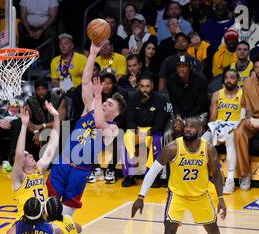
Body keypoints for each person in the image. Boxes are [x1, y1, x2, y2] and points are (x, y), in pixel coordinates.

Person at [131, 117, 239, 234]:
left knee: (213, 230)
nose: (187, 129)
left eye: (192, 127)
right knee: (169, 232)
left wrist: (220, 198)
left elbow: (217, 174)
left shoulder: (208, 149)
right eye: (186, 126)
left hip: (200, 195)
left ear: (200, 129)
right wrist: (140, 196)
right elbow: (153, 171)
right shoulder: (173, 148)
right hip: (178, 195)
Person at [47, 42, 126, 216]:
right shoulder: (89, 108)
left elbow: (98, 123)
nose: (105, 103)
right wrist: (92, 54)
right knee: (48, 210)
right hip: (62, 163)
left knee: (65, 217)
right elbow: (85, 82)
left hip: (80, 171)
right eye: (105, 101)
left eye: (110, 104)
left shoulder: (113, 129)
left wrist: (98, 96)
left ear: (117, 112)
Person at [11, 104, 60, 222]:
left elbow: (52, 146)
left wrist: (56, 118)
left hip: (43, 219)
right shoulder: (19, 177)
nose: (31, 155)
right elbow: (18, 154)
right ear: (20, 162)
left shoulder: (39, 169)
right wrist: (24, 125)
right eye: (26, 155)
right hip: (25, 220)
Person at [122, 73, 168, 187]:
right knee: (127, 135)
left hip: (152, 131)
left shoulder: (160, 99)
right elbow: (129, 120)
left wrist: (148, 132)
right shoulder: (132, 97)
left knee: (158, 140)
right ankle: (129, 175)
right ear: (138, 87)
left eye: (147, 86)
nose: (145, 89)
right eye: (142, 86)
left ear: (152, 86)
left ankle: (152, 176)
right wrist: (137, 131)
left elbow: (160, 122)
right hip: (137, 131)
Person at [202, 68, 243, 194]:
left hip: (234, 126)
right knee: (202, 141)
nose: (229, 80)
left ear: (238, 80)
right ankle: (201, 176)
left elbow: (243, 117)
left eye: (232, 77)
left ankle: (230, 179)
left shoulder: (243, 94)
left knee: (231, 139)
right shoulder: (217, 94)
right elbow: (213, 117)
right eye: (226, 77)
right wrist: (212, 127)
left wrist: (236, 129)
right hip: (219, 126)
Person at [0, 81, 33, 172]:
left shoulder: (26, 86)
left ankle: (13, 160)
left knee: (18, 123)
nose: (10, 73)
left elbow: (28, 107)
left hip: (18, 118)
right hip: (1, 120)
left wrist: (13, 95)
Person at [234, 56, 259, 191]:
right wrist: (248, 117)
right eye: (256, 67)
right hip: (253, 118)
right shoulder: (248, 82)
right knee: (239, 132)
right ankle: (245, 174)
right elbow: (247, 104)